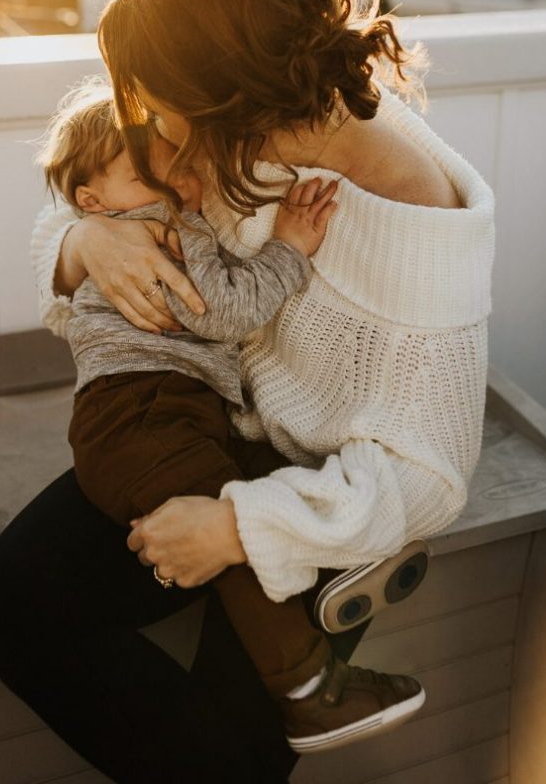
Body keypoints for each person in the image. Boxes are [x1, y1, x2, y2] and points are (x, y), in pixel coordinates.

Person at [0, 0, 494, 783]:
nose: (158, 138)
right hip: (199, 427)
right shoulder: (246, 139)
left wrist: (239, 529)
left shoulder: (417, 237)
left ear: (228, 100)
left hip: (317, 506)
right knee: (7, 608)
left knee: (239, 751)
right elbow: (91, 190)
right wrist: (85, 240)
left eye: (165, 115)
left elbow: (425, 477)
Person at [35, 78, 424, 753]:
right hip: (143, 413)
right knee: (235, 536)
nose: (168, 178)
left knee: (248, 489)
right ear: (90, 203)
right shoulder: (159, 232)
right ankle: (309, 691)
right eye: (142, 171)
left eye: (169, 162)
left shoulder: (139, 215)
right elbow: (228, 313)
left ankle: (333, 559)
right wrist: (290, 250)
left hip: (162, 413)